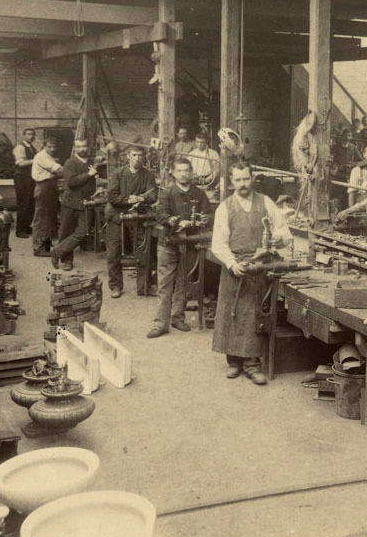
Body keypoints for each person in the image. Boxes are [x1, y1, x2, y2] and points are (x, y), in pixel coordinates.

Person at [210, 162, 293, 385]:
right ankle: (234, 362)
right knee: (232, 313)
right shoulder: (225, 207)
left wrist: (278, 237)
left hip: (259, 266)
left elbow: (283, 230)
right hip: (236, 266)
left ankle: (252, 364)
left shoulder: (266, 202)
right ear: (231, 181)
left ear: (252, 178)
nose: (242, 184)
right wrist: (230, 263)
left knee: (255, 316)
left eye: (246, 179)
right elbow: (218, 243)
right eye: (237, 180)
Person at [148, 156, 212, 337]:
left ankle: (178, 317)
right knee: (164, 285)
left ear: (191, 172)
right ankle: (160, 323)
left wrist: (205, 218)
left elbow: (209, 213)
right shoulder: (166, 192)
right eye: (180, 171)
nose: (184, 174)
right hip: (168, 243)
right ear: (173, 173)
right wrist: (173, 220)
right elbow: (160, 213)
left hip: (190, 245)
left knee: (183, 283)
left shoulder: (199, 194)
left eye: (187, 170)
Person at [104, 145, 157, 299]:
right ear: (128, 156)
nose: (136, 158)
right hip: (116, 216)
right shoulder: (118, 173)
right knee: (113, 253)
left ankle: (143, 287)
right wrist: (129, 200)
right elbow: (112, 196)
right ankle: (115, 286)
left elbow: (153, 194)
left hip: (137, 217)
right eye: (133, 155)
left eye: (140, 155)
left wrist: (142, 198)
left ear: (144, 157)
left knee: (142, 252)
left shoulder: (148, 175)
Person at [51, 138, 98, 271]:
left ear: (88, 147)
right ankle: (67, 261)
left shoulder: (91, 163)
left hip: (86, 203)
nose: (82, 149)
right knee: (66, 232)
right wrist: (89, 174)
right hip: (70, 203)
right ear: (74, 148)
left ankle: (57, 251)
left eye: (84, 146)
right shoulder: (70, 163)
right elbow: (71, 182)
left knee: (83, 232)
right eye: (79, 147)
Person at [30, 137, 62, 256]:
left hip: (49, 187)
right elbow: (58, 170)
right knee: (41, 218)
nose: (52, 149)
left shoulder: (50, 156)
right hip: (43, 187)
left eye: (54, 146)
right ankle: (38, 248)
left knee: (49, 218)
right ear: (44, 146)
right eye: (49, 146)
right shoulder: (41, 156)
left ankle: (46, 246)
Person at [12, 127, 37, 238]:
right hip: (22, 178)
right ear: (24, 135)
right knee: (23, 204)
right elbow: (20, 163)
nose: (31, 136)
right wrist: (37, 160)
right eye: (28, 134)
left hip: (30, 178)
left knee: (31, 204)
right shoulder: (20, 147)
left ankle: (26, 226)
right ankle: (19, 230)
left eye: (32, 134)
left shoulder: (32, 148)